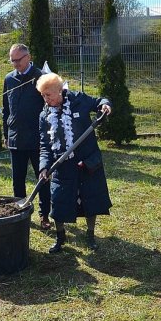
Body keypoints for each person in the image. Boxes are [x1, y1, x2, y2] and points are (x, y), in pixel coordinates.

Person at [36, 72, 113, 253]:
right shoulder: (44, 116)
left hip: (87, 160)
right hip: (63, 165)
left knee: (90, 199)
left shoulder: (79, 100)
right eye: (42, 95)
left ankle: (91, 236)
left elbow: (99, 101)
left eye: (48, 94)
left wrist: (105, 105)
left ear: (59, 91)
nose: (45, 98)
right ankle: (60, 237)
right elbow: (45, 145)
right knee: (59, 202)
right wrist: (44, 167)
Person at [2, 43, 49, 229]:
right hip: (16, 138)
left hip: (39, 140)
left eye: (18, 60)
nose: (15, 64)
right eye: (12, 60)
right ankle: (21, 212)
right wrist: (6, 134)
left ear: (28, 57)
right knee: (17, 180)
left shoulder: (41, 78)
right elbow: (7, 109)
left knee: (43, 179)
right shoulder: (9, 79)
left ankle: (45, 214)